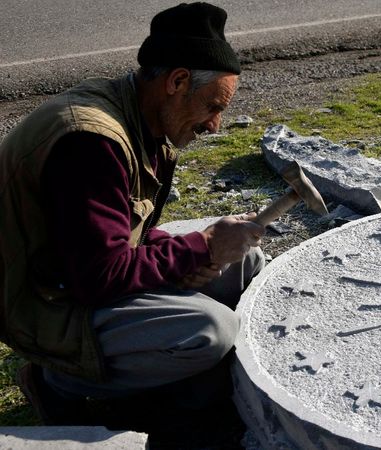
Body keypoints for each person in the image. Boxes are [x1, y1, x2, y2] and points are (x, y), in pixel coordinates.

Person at [0, 2, 265, 431]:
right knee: (212, 330)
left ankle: (170, 372)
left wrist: (189, 254)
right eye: (213, 106)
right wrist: (200, 248)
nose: (216, 125)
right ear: (177, 81)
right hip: (43, 302)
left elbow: (120, 235)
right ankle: (56, 381)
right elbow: (98, 277)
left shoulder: (143, 115)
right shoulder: (91, 141)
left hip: (76, 271)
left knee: (244, 260)